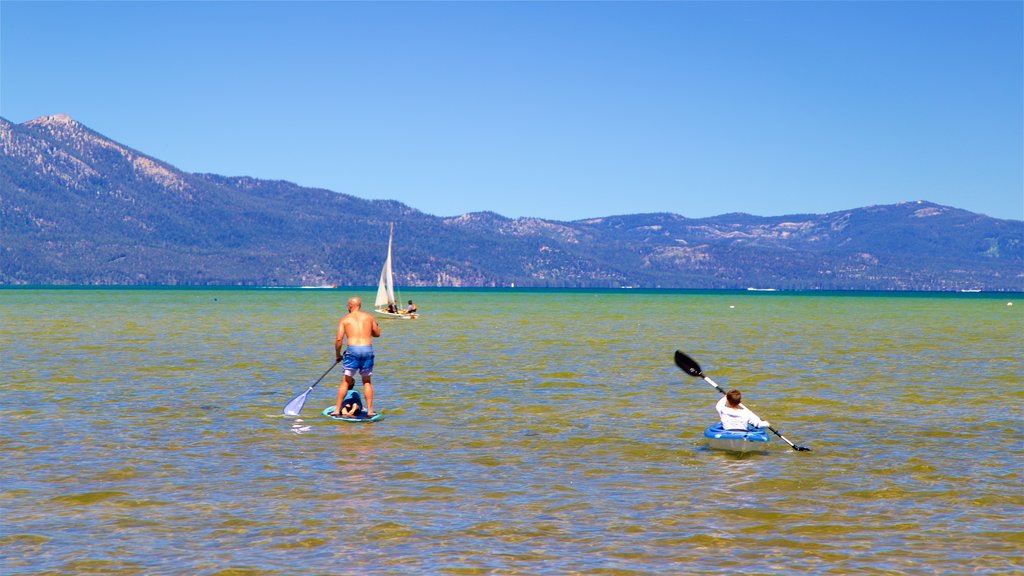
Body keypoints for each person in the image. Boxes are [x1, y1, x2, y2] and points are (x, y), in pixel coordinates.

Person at [333, 296, 381, 417]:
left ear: (350, 306)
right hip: (367, 349)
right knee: (367, 381)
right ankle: (370, 411)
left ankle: (337, 410)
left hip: (353, 350)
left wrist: (338, 355)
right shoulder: (369, 317)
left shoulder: (345, 319)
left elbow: (339, 339)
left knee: (346, 380)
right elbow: (377, 334)